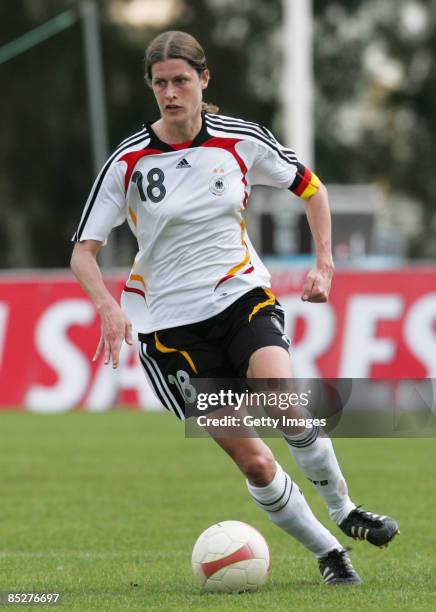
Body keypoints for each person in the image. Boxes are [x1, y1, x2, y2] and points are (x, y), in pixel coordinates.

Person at [71, 30, 399, 586]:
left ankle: (344, 510)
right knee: (256, 461)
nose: (171, 93)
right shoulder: (128, 162)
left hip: (240, 295)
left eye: (180, 80)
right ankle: (329, 555)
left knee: (284, 402)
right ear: (151, 88)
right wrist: (107, 306)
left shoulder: (240, 140)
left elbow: (311, 189)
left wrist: (324, 264)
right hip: (169, 332)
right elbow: (83, 251)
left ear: (204, 80)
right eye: (160, 84)